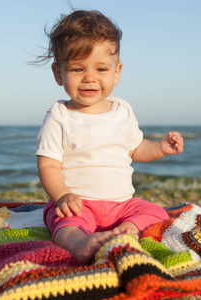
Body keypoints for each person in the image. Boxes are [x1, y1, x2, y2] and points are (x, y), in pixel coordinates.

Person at [34, 10, 184, 263]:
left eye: (101, 68)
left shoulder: (122, 110)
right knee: (65, 223)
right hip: (79, 204)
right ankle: (79, 243)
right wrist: (62, 196)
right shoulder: (60, 116)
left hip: (120, 205)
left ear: (117, 72)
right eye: (78, 68)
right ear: (59, 73)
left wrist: (159, 147)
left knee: (155, 211)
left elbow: (136, 149)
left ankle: (128, 229)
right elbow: (48, 164)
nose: (89, 77)